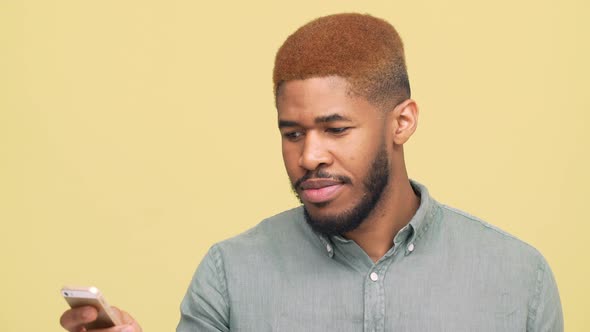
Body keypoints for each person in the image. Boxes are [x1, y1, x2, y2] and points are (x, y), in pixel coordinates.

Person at [60, 13, 563, 332]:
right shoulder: (231, 275)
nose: (309, 157)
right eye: (293, 133)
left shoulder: (518, 278)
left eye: (336, 129)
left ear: (402, 122)